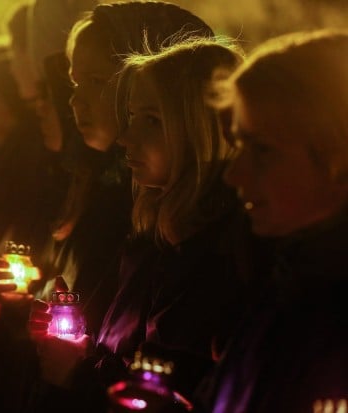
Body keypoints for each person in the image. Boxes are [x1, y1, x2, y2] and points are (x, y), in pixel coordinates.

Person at [29, 37, 264, 413]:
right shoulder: (153, 238)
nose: (125, 138)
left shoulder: (220, 258)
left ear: (200, 128)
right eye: (132, 117)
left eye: (152, 120)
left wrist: (77, 373)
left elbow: (167, 393)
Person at [197, 29, 348, 413]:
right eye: (239, 145)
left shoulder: (325, 312)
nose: (234, 175)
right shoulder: (287, 282)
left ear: (339, 158)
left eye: (262, 150)